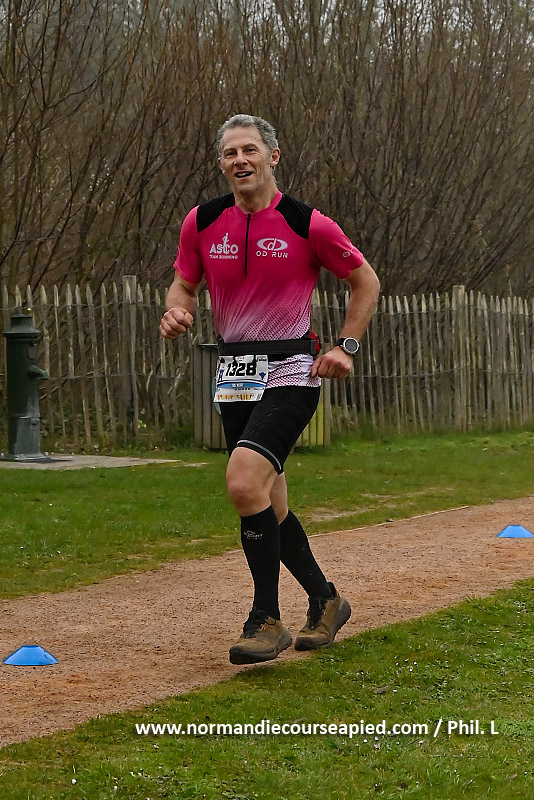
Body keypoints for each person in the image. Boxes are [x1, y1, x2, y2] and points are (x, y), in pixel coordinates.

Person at [160, 114, 380, 666]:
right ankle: (326, 601)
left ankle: (265, 618)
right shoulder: (202, 222)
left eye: (250, 150)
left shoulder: (307, 223)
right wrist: (176, 310)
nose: (240, 160)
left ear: (272, 156)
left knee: (242, 482)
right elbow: (184, 282)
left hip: (291, 371)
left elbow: (365, 281)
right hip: (235, 373)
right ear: (221, 163)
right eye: (230, 152)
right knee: (267, 501)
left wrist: (346, 346)